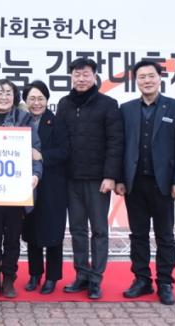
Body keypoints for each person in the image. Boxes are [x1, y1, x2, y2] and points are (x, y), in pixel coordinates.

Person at [116, 60, 175, 305]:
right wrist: (120, 179)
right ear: (135, 81)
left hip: (164, 184)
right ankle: (142, 280)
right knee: (138, 235)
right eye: (142, 77)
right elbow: (120, 147)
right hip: (134, 183)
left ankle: (166, 282)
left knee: (164, 235)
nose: (146, 81)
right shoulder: (126, 109)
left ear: (160, 78)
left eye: (151, 76)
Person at [56, 58, 123, 300]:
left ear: (95, 77)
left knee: (99, 230)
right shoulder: (64, 104)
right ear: (71, 77)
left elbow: (116, 142)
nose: (81, 79)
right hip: (71, 178)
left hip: (98, 181)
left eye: (86, 74)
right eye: (77, 74)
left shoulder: (108, 104)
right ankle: (82, 274)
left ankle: (96, 279)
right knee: (77, 230)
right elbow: (59, 139)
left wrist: (110, 176)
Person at [0, 79, 43, 299]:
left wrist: (36, 174)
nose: (4, 97)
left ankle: (9, 278)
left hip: (16, 192)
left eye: (8, 93)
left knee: (13, 239)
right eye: (0, 93)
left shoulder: (24, 119)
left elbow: (36, 151)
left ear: (15, 98)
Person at [21, 80, 70, 295]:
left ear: (47, 100)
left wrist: (42, 156)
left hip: (53, 186)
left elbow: (65, 151)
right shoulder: (20, 121)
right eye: (32, 98)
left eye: (40, 98)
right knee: (32, 231)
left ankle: (52, 277)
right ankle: (34, 274)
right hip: (28, 186)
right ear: (25, 101)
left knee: (52, 234)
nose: (36, 103)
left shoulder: (56, 122)